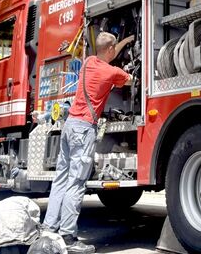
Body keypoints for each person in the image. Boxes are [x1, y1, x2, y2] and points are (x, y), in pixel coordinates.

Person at [39, 32, 133, 254]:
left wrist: (125, 41)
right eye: (114, 49)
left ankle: (49, 228)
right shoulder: (111, 72)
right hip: (84, 129)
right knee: (76, 183)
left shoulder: (89, 62)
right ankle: (68, 236)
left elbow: (108, 49)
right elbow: (129, 79)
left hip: (69, 126)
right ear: (110, 51)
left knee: (61, 179)